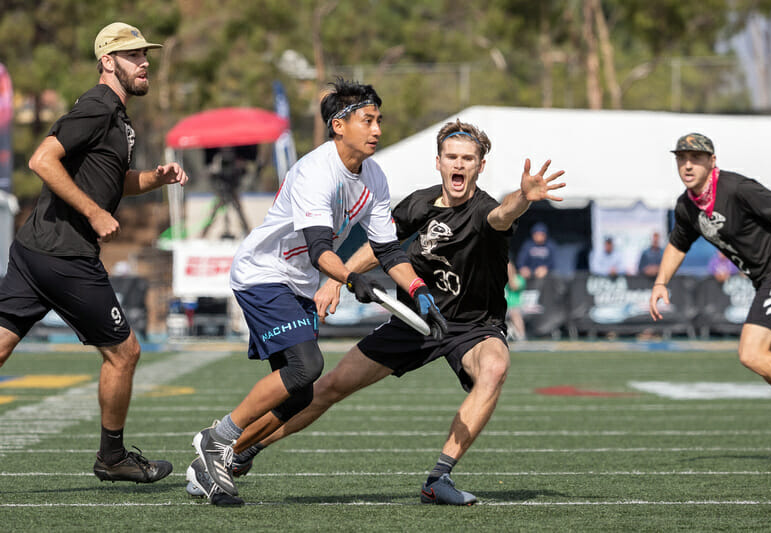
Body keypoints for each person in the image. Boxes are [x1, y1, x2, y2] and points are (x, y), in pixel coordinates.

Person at [200, 120, 567, 505]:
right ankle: (232, 452)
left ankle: (438, 479)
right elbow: (381, 245)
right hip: (414, 321)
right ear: (439, 162)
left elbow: (503, 215)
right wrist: (336, 280)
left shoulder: (484, 210)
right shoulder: (418, 203)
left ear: (481, 165)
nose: (459, 165)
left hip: (473, 327)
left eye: (468, 159)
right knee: (325, 389)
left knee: (494, 368)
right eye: (452, 157)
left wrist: (523, 197)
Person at [186, 79, 447, 506]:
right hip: (263, 273)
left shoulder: (375, 177)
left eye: (380, 120)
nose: (377, 128)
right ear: (338, 126)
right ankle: (216, 441)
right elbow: (320, 248)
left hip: (298, 283)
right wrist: (350, 280)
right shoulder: (314, 171)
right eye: (368, 120)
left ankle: (211, 463)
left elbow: (385, 249)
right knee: (307, 366)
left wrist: (418, 291)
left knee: (301, 392)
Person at [0, 22, 187, 484]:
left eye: (145, 55)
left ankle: (113, 457)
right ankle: (113, 457)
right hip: (65, 254)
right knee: (125, 354)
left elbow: (112, 180)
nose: (144, 63)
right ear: (108, 62)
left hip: (34, 247)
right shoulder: (99, 105)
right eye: (133, 56)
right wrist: (93, 214)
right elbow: (42, 159)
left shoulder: (118, 118)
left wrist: (154, 179)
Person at [650, 132, 771, 415]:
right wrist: (661, 283)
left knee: (752, 353)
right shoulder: (687, 206)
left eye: (696, 158)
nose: (688, 165)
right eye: (682, 159)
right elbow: (677, 243)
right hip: (767, 279)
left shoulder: (736, 188)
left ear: (712, 161)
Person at [505, 262, 526, 340]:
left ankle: (521, 336)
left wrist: (510, 275)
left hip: (516, 307)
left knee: (514, 313)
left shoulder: (519, 279)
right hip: (502, 307)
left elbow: (514, 286)